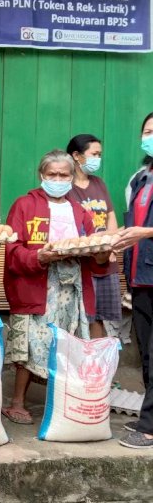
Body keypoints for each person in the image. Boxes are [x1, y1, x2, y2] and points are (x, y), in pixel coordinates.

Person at [2, 149, 108, 425]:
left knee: (64, 343)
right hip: (37, 285)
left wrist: (100, 253)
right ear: (42, 175)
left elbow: (94, 256)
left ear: (72, 177)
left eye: (64, 174)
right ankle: (16, 402)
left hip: (70, 290)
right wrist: (39, 257)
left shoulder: (79, 212)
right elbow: (12, 250)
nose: (58, 179)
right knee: (30, 342)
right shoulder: (24, 205)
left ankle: (60, 400)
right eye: (52, 174)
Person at [114, 112, 153, 448]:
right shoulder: (140, 179)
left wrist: (147, 231)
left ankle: (151, 425)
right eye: (148, 131)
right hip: (141, 277)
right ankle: (148, 415)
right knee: (145, 355)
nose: (150, 136)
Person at [66, 134, 122, 338]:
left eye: (100, 154)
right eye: (94, 154)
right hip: (81, 262)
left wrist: (112, 245)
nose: (98, 159)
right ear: (76, 156)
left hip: (105, 259)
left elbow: (110, 215)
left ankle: (95, 367)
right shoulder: (66, 186)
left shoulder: (99, 183)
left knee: (99, 316)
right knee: (81, 315)